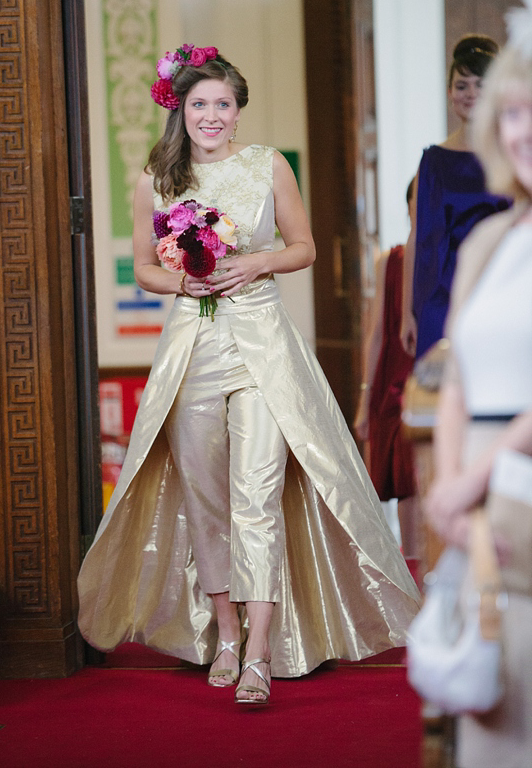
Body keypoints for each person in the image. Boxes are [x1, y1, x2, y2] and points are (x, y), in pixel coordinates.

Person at [77, 44, 420, 706]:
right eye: (199, 104)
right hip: (193, 351)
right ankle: (226, 633)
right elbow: (144, 267)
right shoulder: (157, 177)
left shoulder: (268, 166)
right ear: (182, 110)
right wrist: (186, 276)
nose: (211, 116)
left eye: (223, 105)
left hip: (263, 345)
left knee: (258, 494)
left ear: (238, 112)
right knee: (209, 500)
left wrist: (257, 264)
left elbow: (305, 247)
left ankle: (260, 653)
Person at [426, 0, 532, 767]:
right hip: (477, 501)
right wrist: (445, 488)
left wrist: (476, 483)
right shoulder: (491, 239)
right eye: (515, 112)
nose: (524, 131)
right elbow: (456, 376)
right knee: (489, 716)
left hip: (517, 481)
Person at [401, 34, 510, 361]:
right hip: (442, 297)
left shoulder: (514, 154)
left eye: (481, 85)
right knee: (440, 394)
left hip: (502, 287)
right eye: (462, 86)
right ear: (450, 93)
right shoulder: (433, 161)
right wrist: (409, 311)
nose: (471, 94)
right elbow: (417, 237)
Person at [354, 179, 418, 558]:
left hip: (431, 378)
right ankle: (411, 575)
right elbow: (377, 332)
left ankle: (428, 573)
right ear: (408, 205)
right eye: (416, 199)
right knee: (402, 481)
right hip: (392, 382)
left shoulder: (451, 255)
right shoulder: (388, 261)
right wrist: (365, 399)